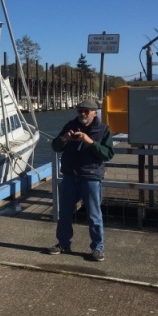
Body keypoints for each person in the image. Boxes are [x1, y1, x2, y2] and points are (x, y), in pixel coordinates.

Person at [48, 99, 114, 261]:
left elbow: (108, 154)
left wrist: (89, 142)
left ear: (94, 112)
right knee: (64, 213)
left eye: (86, 111)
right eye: (80, 111)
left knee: (94, 215)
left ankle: (98, 248)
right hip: (70, 176)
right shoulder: (70, 126)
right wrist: (64, 138)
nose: (82, 114)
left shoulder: (103, 129)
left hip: (90, 177)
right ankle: (63, 243)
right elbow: (56, 147)